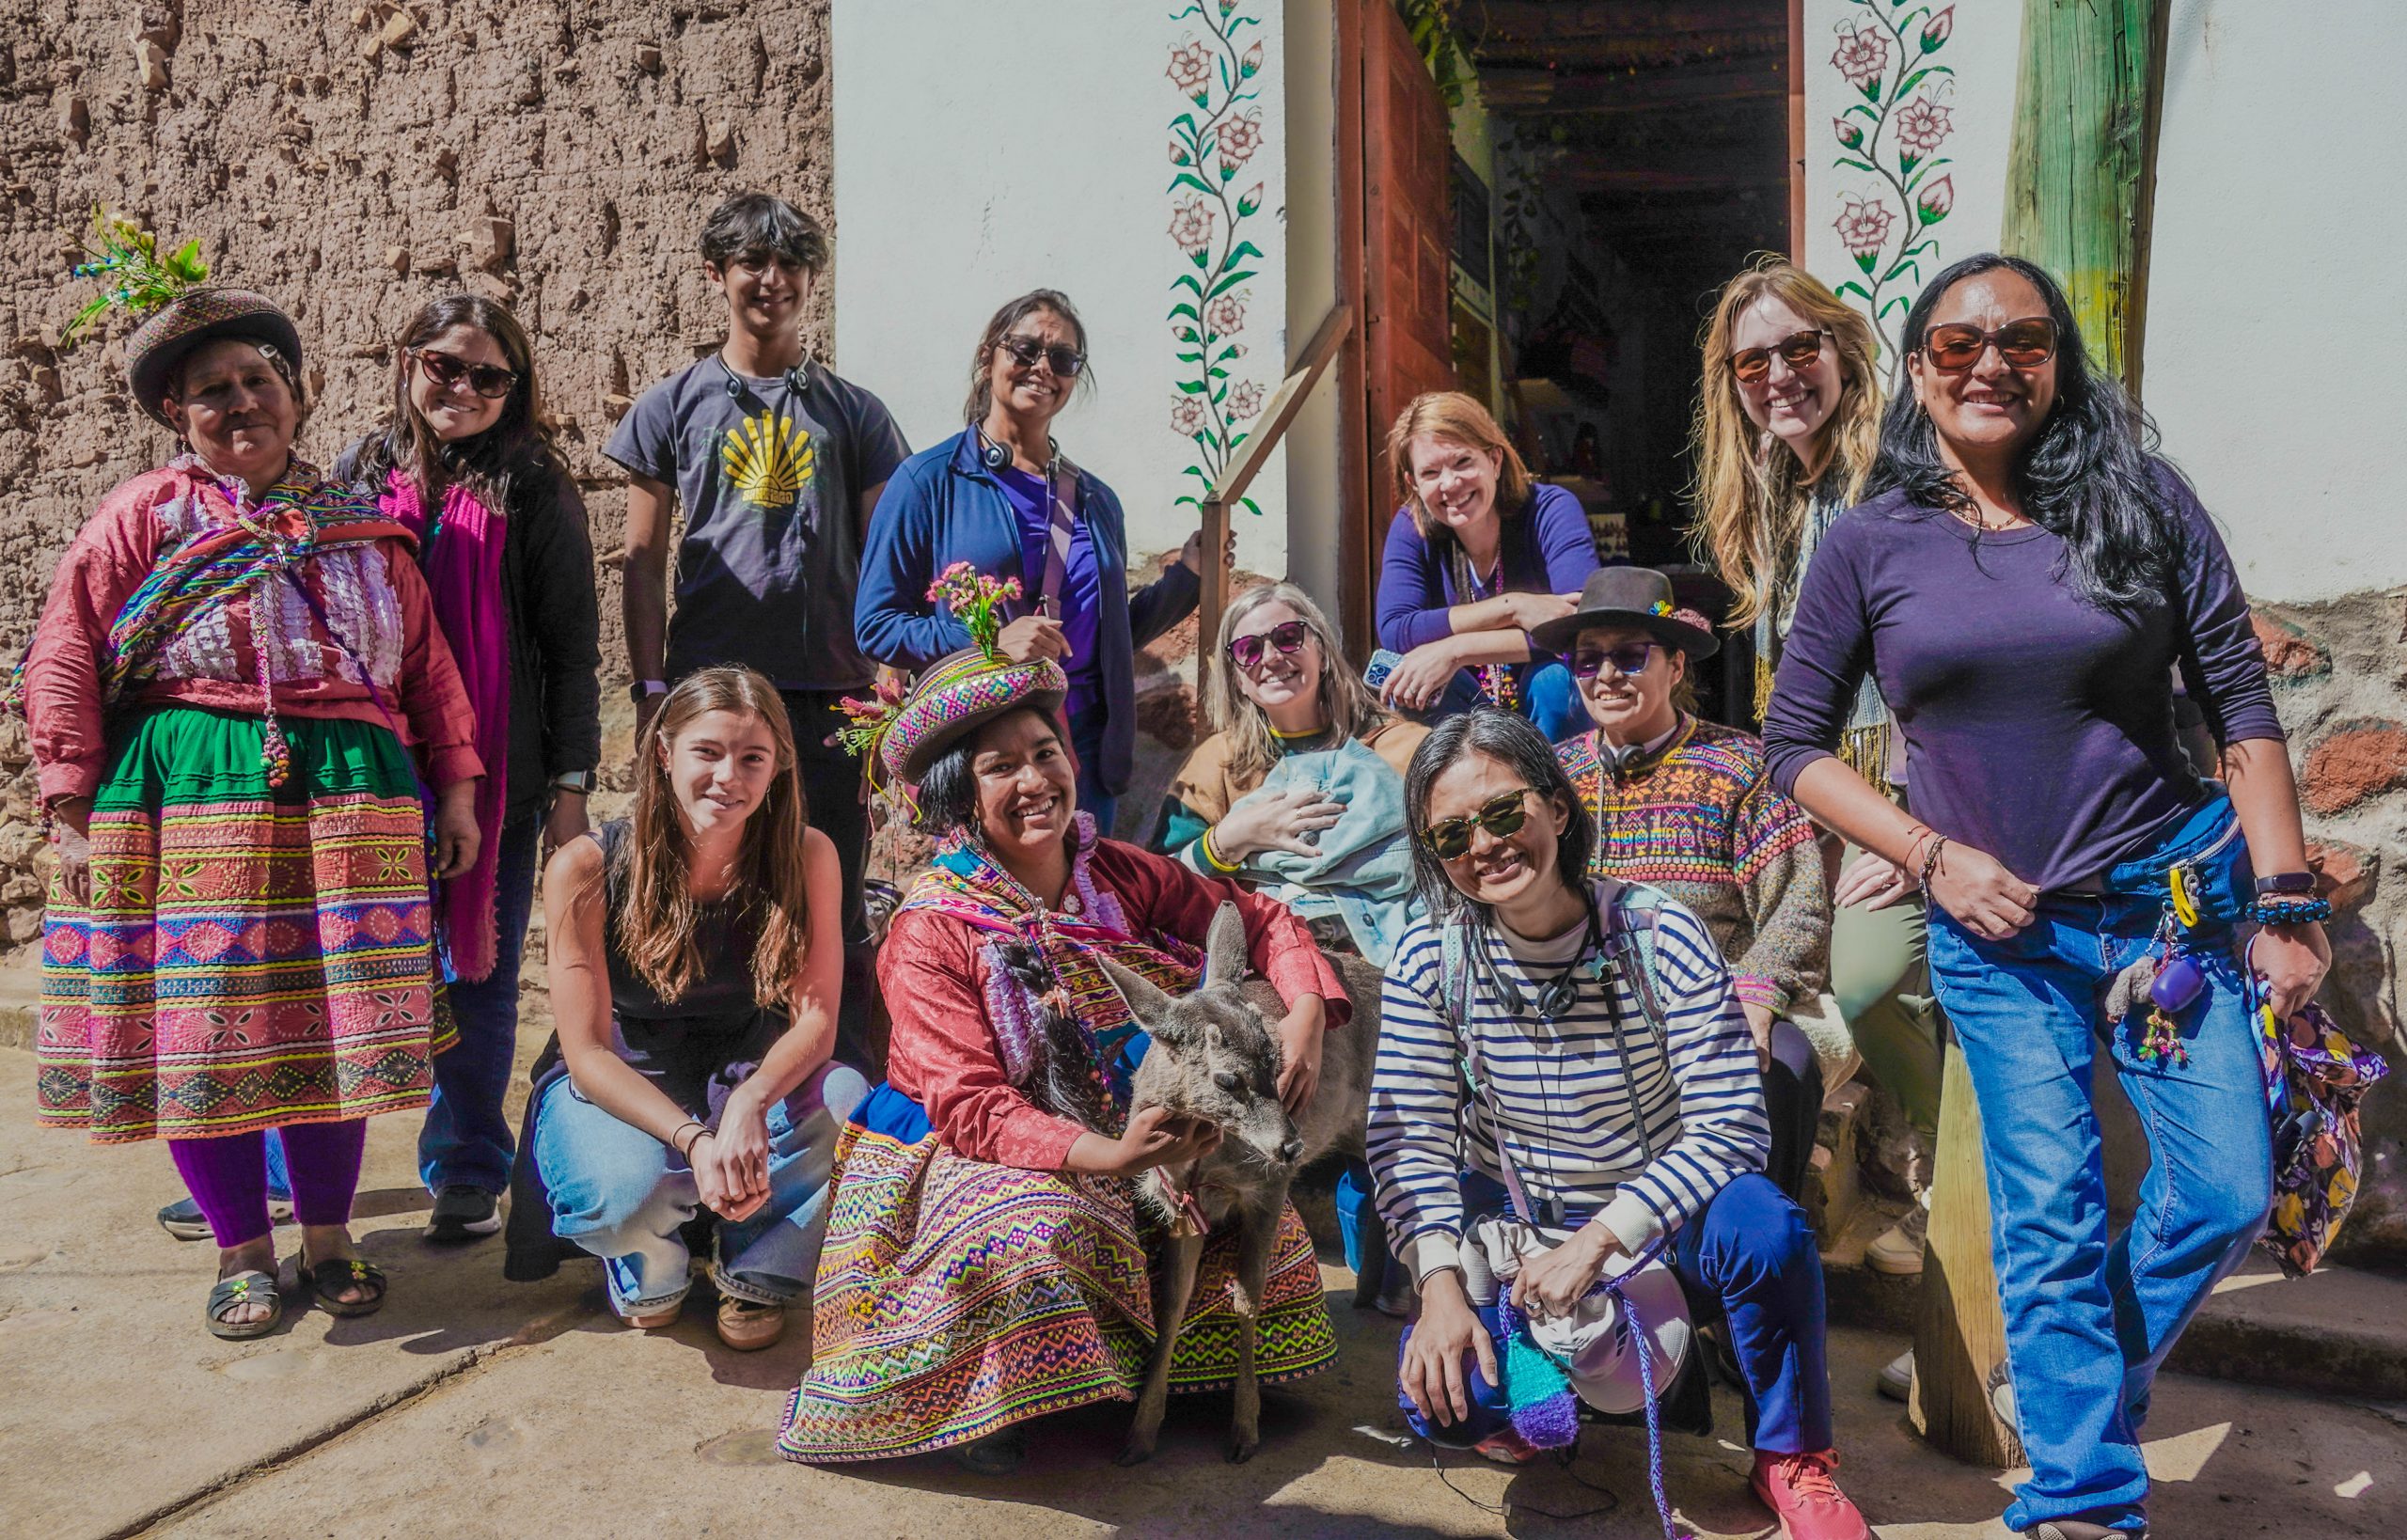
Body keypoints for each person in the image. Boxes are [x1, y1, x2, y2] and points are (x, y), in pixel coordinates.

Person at [1762, 253, 2327, 1540]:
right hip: (1993, 926)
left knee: (2229, 1187)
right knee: (2054, 1209)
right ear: (1916, 371)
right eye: (1956, 344)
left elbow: (2240, 700)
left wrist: (2287, 903)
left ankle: (2080, 1394)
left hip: (2163, 915)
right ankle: (2082, 1500)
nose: (1990, 364)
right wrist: (1929, 856)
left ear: (2060, 363)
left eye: (2021, 340)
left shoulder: (2145, 502)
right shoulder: (1871, 539)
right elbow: (1790, 745)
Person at [24, 282, 481, 1338]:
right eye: (211, 392)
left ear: (297, 393)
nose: (240, 404)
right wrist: (72, 809)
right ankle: (241, 1250)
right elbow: (63, 656)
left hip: (356, 802)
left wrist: (454, 791)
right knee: (207, 1035)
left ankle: (329, 1237)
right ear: (177, 418)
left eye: (257, 381)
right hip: (186, 799)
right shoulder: (141, 517)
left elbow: (427, 671)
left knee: (336, 1025)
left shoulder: (363, 532)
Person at [779, 639, 1345, 1472]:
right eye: (1001, 768)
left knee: (1260, 1213)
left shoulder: (1110, 873)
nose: (1034, 781)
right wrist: (1112, 1155)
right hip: (982, 1148)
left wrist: (1304, 1014)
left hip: (1131, 1126)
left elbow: (1256, 916)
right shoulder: (930, 931)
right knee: (1033, 1233)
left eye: (1046, 754)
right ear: (960, 797)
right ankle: (982, 1395)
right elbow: (973, 1106)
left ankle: (1147, 1378)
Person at [1371, 711, 1868, 1540]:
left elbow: (1731, 1126)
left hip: (1659, 1217)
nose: (1484, 846)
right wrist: (1439, 1287)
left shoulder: (1655, 930)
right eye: (1452, 835)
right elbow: (1409, 1134)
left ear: (1558, 810)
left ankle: (1791, 1454)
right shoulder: (1432, 958)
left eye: (1502, 813)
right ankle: (1536, 1385)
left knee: (1767, 1230)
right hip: (1517, 1222)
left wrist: (1600, 1239)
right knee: (1446, 1402)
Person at [606, 190, 909, 1066]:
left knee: (835, 895)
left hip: (832, 700)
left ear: (811, 279)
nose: (770, 280)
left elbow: (884, 556)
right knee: (716, 885)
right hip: (712, 705)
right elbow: (641, 559)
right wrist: (654, 687)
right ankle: (714, 1069)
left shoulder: (855, 414)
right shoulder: (671, 407)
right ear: (717, 275)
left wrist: (886, 687)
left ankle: (836, 1087)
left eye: (789, 264)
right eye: (751, 263)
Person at [1693, 258, 1941, 1291]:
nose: (1780, 374)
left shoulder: (1897, 475)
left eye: (1800, 348)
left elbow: (1940, 660)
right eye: (1753, 360)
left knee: (1873, 984)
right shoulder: (1777, 502)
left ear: (1843, 350)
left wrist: (1905, 825)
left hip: (1907, 792)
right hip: (1821, 791)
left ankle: (1967, 1199)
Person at [516, 668, 862, 1350]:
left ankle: (757, 1264)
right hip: (624, 1077)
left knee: (856, 1111)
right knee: (621, 1191)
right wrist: (695, 1139)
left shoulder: (807, 853)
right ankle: (650, 1260)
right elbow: (585, 1054)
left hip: (744, 1064)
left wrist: (752, 1102)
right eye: (707, 751)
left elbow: (817, 1020)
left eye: (751, 758)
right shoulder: (585, 866)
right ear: (665, 753)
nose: (728, 776)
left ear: (777, 767)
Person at [1150, 580, 1426, 1313]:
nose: (1271, 657)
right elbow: (1161, 884)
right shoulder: (1216, 762)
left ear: (1322, 647)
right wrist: (1224, 841)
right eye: (1249, 649)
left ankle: (1410, 1272)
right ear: (1233, 673)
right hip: (1267, 948)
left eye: (1287, 638)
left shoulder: (1398, 746)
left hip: (1387, 943)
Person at [853, 289, 1206, 835]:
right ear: (987, 357)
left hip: (1082, 750)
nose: (1043, 368)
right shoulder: (928, 482)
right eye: (1024, 350)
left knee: (1081, 910)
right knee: (1000, 912)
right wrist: (991, 643)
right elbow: (877, 626)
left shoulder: (1096, 499)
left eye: (1062, 358)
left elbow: (1109, 634)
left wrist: (1189, 578)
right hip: (988, 748)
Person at [1535, 566, 1829, 1202]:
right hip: (1580, 1004)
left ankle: (1750, 1240)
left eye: (1629, 656)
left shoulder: (1741, 765)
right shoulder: (1553, 778)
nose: (1607, 675)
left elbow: (1798, 904)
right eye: (1588, 661)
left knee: (1787, 1067)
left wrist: (1755, 996)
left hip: (1714, 999)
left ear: (1674, 666)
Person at [1373, 391, 1598, 742]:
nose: (1449, 484)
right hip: (1467, 702)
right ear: (1412, 484)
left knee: (1555, 683)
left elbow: (1583, 624)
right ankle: (1450, 794)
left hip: (1541, 701)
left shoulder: (1550, 510)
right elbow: (1397, 628)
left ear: (1494, 460)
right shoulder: (1412, 526)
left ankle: (1557, 792)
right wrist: (1515, 606)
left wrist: (1454, 650)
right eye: (1430, 472)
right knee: (1403, 677)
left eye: (1463, 462)